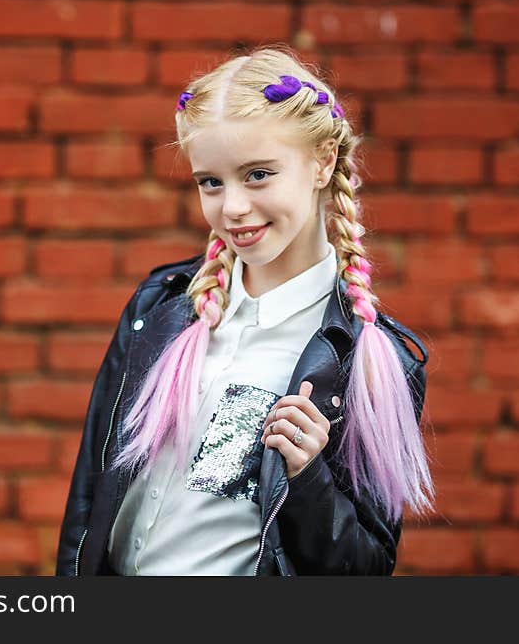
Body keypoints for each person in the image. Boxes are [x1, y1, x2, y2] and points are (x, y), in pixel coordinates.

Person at [56, 45, 435, 576]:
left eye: (258, 174)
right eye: (211, 181)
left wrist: (308, 478)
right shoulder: (159, 308)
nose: (232, 207)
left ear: (323, 162)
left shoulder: (369, 359)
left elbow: (366, 566)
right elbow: (88, 500)